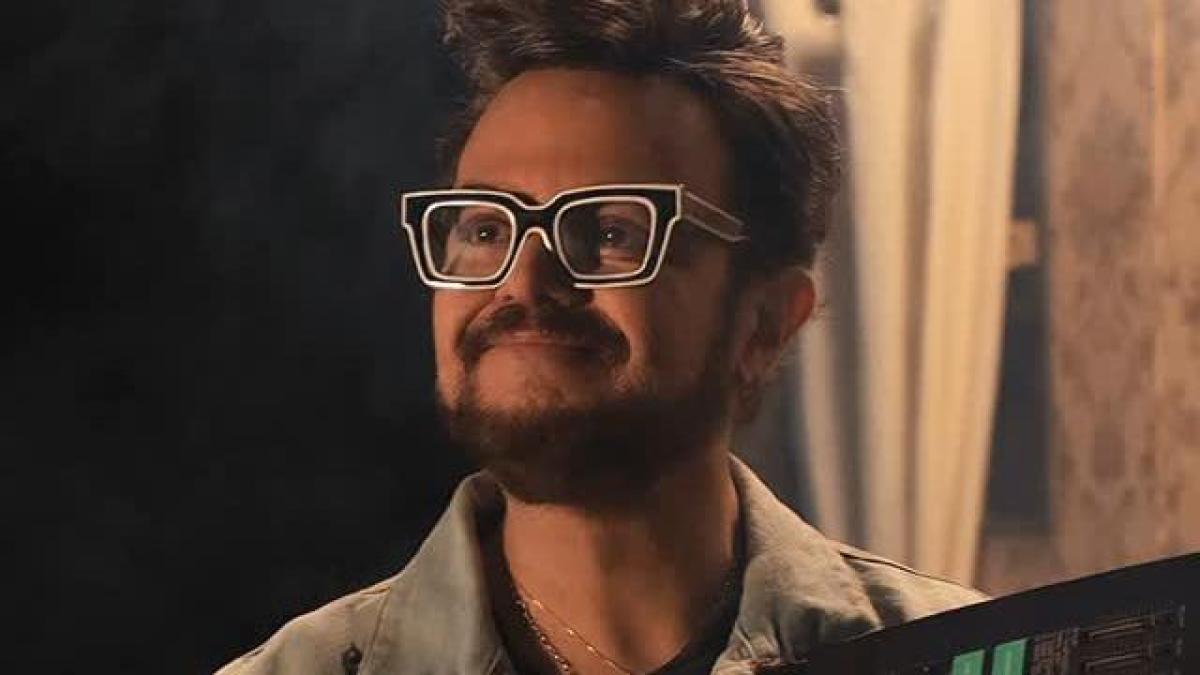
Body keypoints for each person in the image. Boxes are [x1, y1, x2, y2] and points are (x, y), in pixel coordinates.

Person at [216, 1, 984, 673]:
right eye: (485, 229)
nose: (524, 281)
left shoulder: (963, 656)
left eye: (612, 231)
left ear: (765, 324)